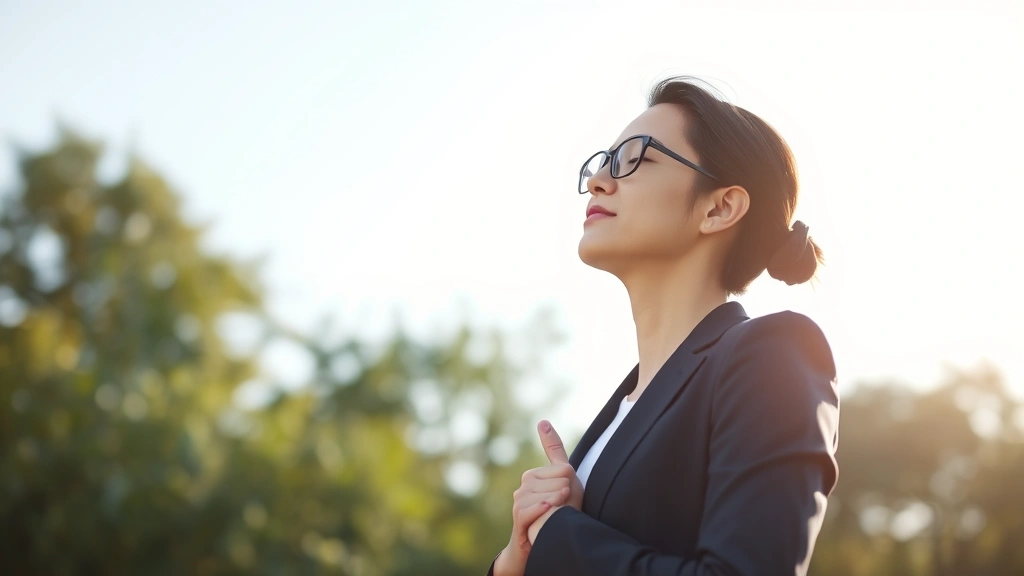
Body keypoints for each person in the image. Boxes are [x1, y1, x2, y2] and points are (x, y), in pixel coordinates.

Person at [486, 77, 840, 576]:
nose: (599, 182)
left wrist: (559, 534)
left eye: (636, 158)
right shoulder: (617, 412)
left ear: (719, 208)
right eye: (602, 164)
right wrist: (517, 555)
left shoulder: (773, 354)